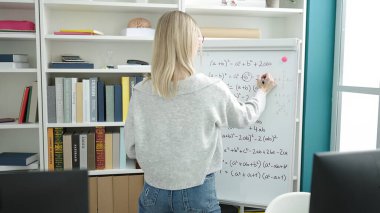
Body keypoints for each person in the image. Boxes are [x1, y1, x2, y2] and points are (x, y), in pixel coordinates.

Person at [125, 11, 276, 213]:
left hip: (153, 191)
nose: (200, 42)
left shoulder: (140, 90)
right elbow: (245, 117)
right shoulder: (210, 88)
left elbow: (131, 148)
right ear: (190, 43)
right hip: (197, 192)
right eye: (199, 38)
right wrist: (262, 91)